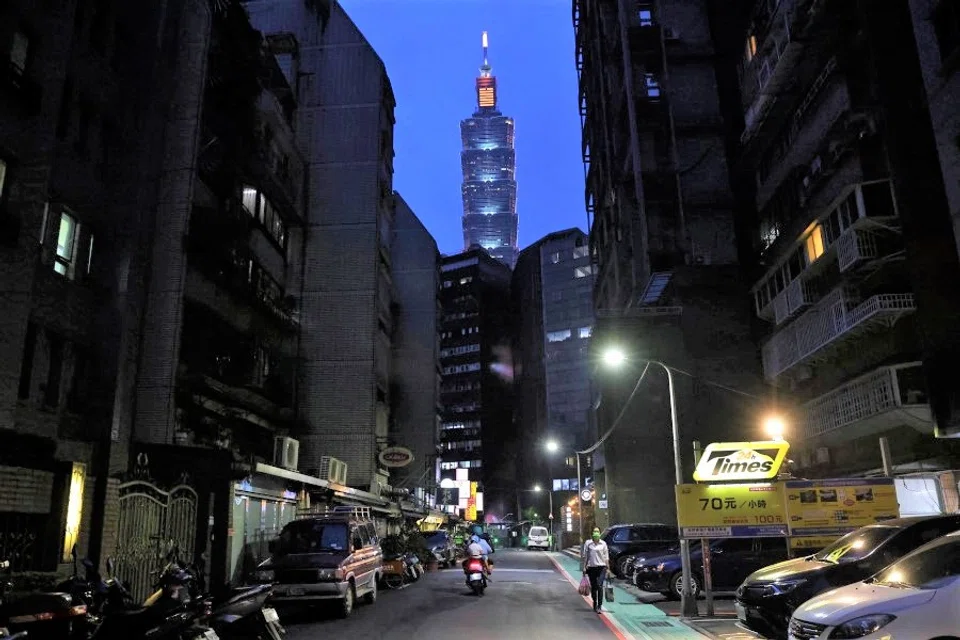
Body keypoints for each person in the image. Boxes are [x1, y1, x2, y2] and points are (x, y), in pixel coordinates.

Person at [581, 527, 611, 613]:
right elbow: (586, 556)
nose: (596, 533)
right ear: (592, 533)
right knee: (594, 587)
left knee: (599, 586)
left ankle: (599, 606)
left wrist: (608, 569)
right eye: (594, 531)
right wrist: (584, 567)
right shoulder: (588, 543)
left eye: (597, 531)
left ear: (600, 533)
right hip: (591, 568)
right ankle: (595, 603)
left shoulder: (603, 544)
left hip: (602, 568)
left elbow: (606, 557)